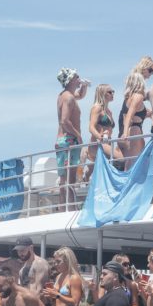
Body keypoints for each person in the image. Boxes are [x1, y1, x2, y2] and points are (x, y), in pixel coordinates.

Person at [56, 67, 89, 206]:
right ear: (70, 80)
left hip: (63, 141)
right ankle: (69, 208)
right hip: (69, 140)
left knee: (64, 178)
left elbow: (80, 95)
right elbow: (64, 121)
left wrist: (84, 86)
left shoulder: (64, 95)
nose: (78, 78)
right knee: (69, 179)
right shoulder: (68, 97)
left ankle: (65, 208)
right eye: (76, 77)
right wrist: (78, 136)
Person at [85, 84, 124, 179]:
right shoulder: (97, 108)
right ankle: (88, 172)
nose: (112, 94)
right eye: (109, 92)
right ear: (102, 94)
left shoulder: (109, 111)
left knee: (121, 158)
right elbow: (91, 127)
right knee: (121, 159)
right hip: (98, 143)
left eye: (113, 92)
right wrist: (99, 136)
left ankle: (89, 171)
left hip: (108, 143)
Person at [118, 72, 151, 170]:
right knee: (134, 162)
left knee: (131, 161)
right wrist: (125, 134)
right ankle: (129, 184)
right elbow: (129, 115)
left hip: (131, 130)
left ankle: (127, 182)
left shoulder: (128, 98)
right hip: (134, 130)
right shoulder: (138, 96)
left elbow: (132, 115)